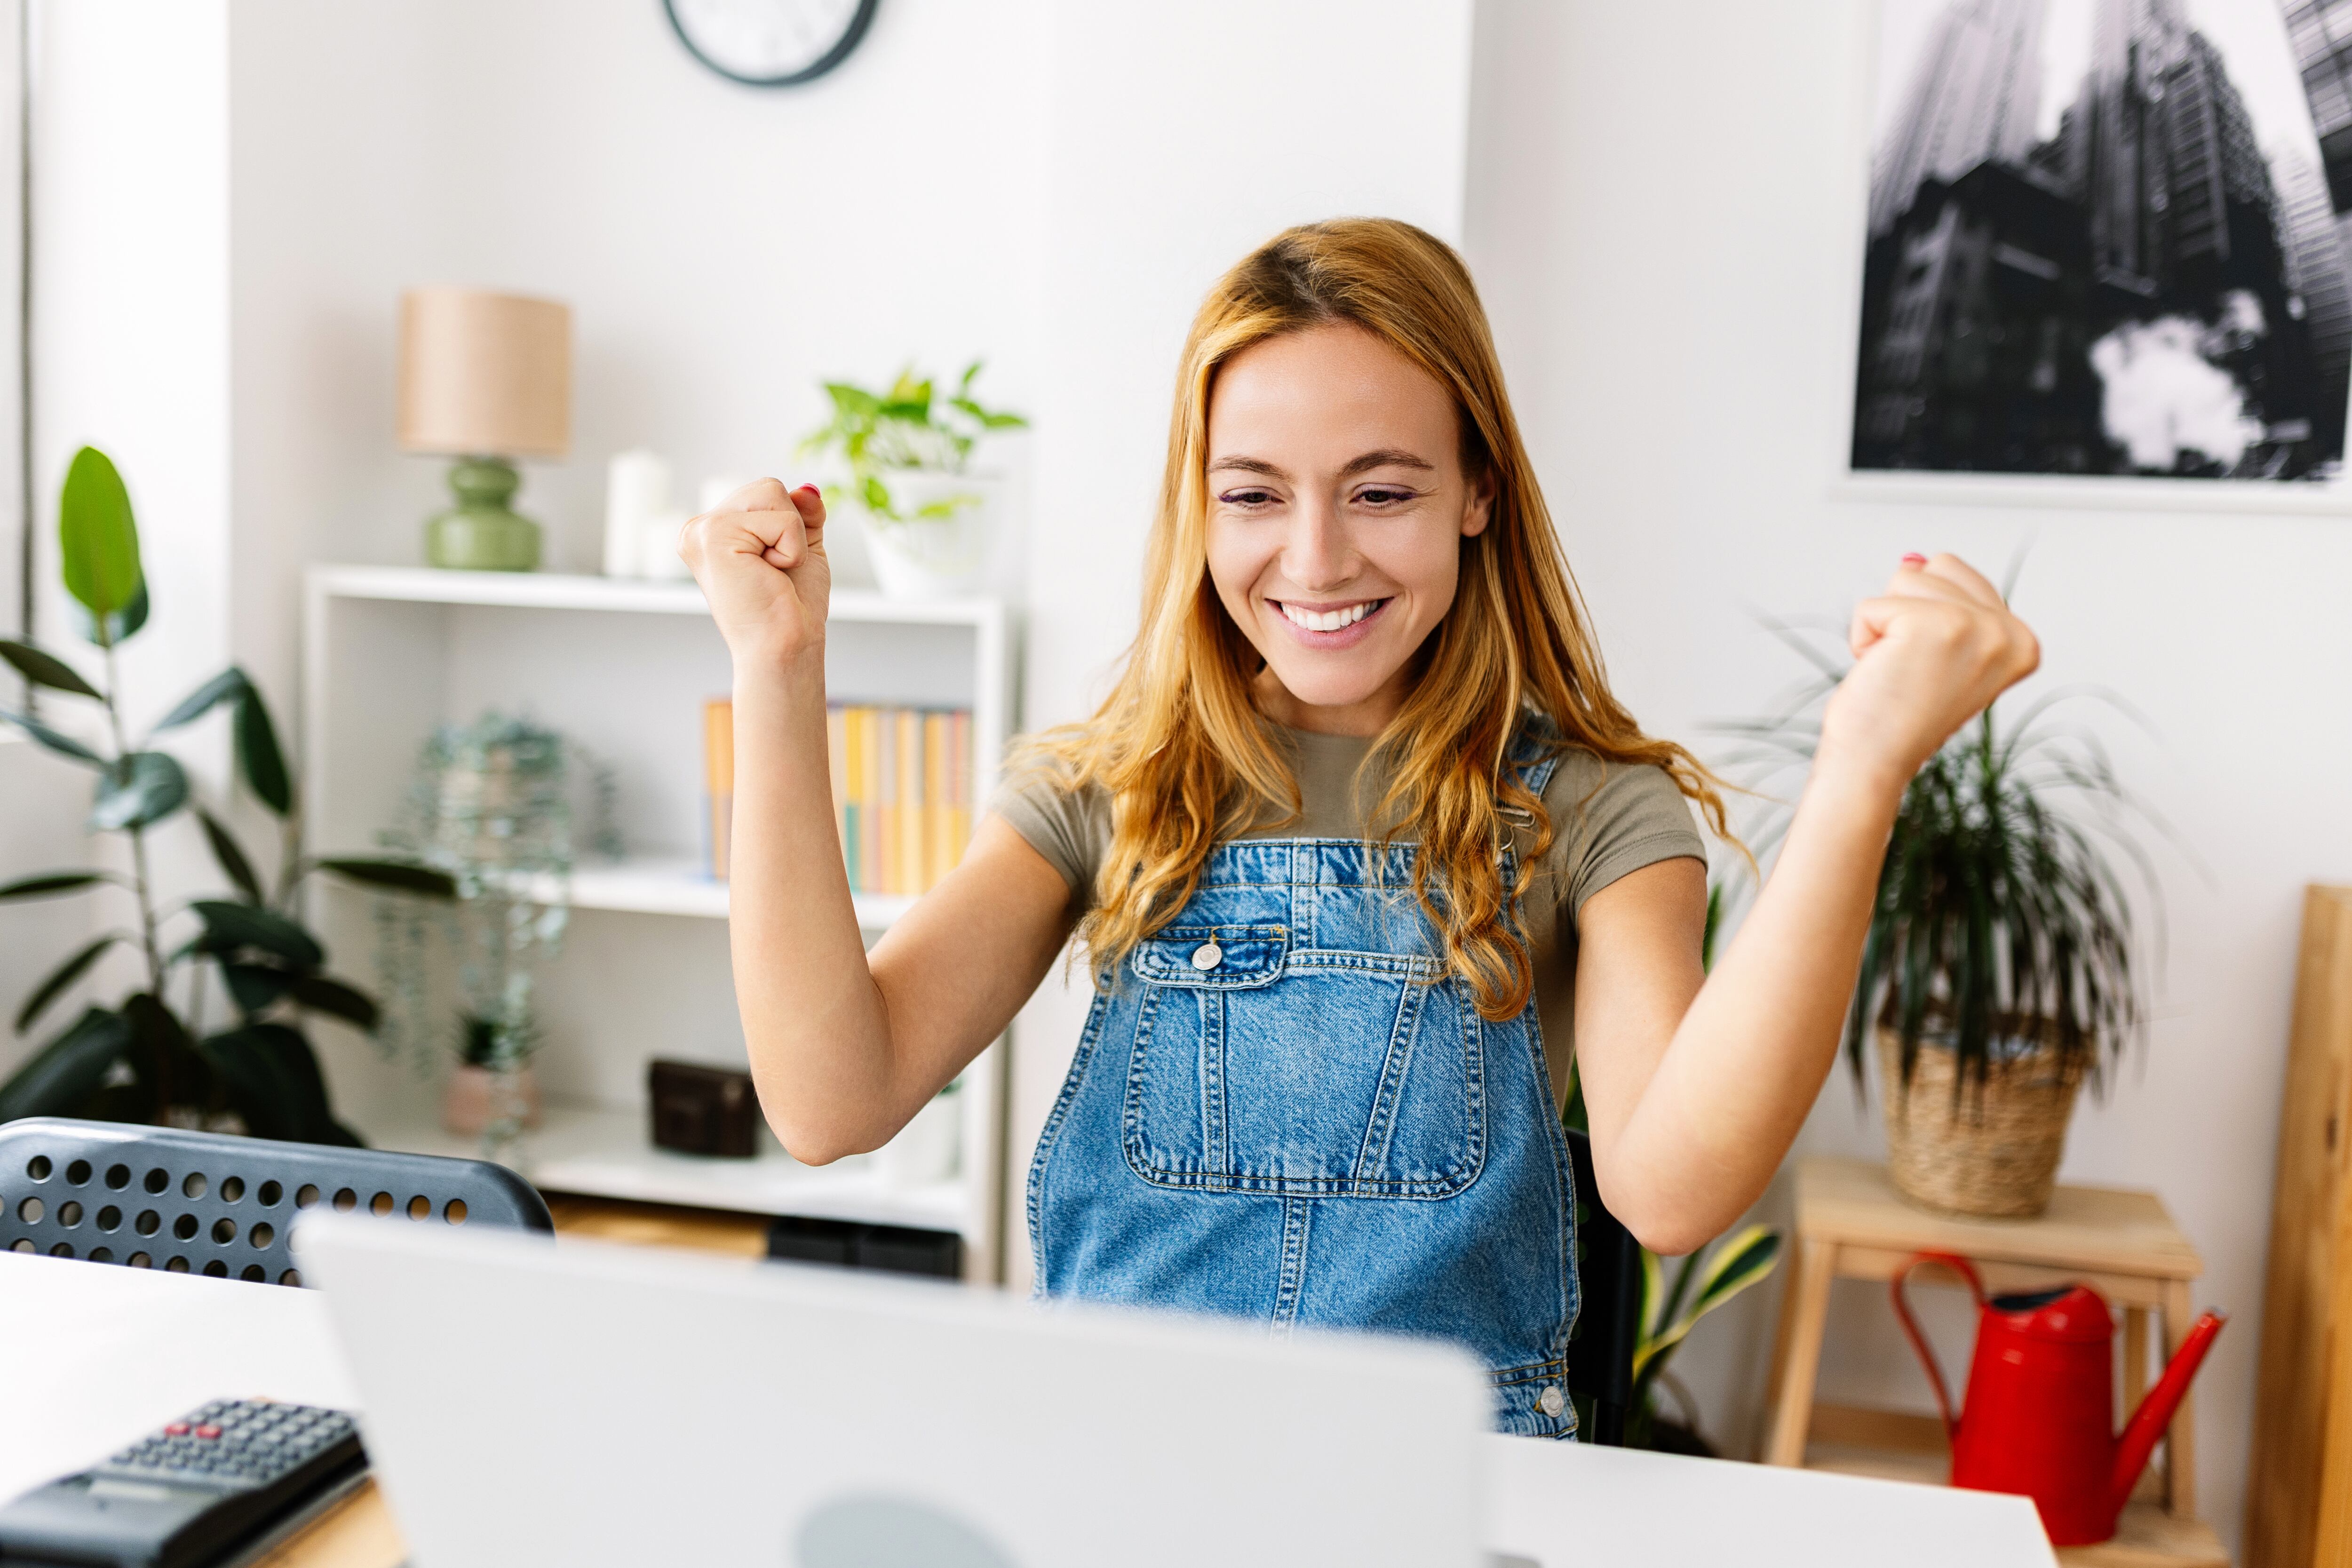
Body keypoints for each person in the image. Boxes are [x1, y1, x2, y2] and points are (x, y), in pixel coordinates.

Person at [681, 218, 2038, 1437]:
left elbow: (1673, 1194)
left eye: (1381, 491)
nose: (1317, 558)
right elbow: (831, 1102)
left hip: (1439, 1497)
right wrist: (779, 667)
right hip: (1114, 1471)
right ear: (1199, 505)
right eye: (1254, 493)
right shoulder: (1106, 788)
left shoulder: (1592, 808)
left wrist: (1863, 769)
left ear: (1478, 490)